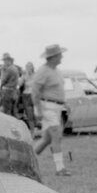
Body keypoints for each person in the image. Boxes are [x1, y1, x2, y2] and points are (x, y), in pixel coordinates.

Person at [31, 44, 69, 176]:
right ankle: (60, 168)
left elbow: (58, 90)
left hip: (57, 107)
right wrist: (38, 110)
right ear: (53, 57)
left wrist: (65, 103)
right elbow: (35, 91)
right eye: (60, 55)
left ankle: (27, 160)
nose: (62, 57)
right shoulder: (43, 71)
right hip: (47, 107)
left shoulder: (57, 71)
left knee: (47, 139)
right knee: (56, 135)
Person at [18, 61, 36, 133]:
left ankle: (38, 126)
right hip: (26, 96)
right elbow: (19, 84)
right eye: (27, 66)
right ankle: (32, 131)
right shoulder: (24, 76)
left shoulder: (36, 75)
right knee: (29, 115)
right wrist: (22, 76)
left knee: (36, 114)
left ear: (32, 67)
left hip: (35, 95)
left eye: (30, 66)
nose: (28, 68)